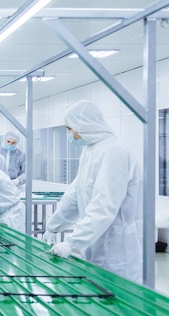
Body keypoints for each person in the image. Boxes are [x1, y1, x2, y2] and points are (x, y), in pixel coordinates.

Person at [43, 100, 143, 283]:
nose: (68, 134)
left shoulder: (114, 152)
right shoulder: (90, 151)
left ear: (83, 125)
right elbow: (75, 193)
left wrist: (72, 243)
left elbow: (104, 205)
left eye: (69, 128)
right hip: (95, 240)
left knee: (118, 300)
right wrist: (54, 225)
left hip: (117, 246)